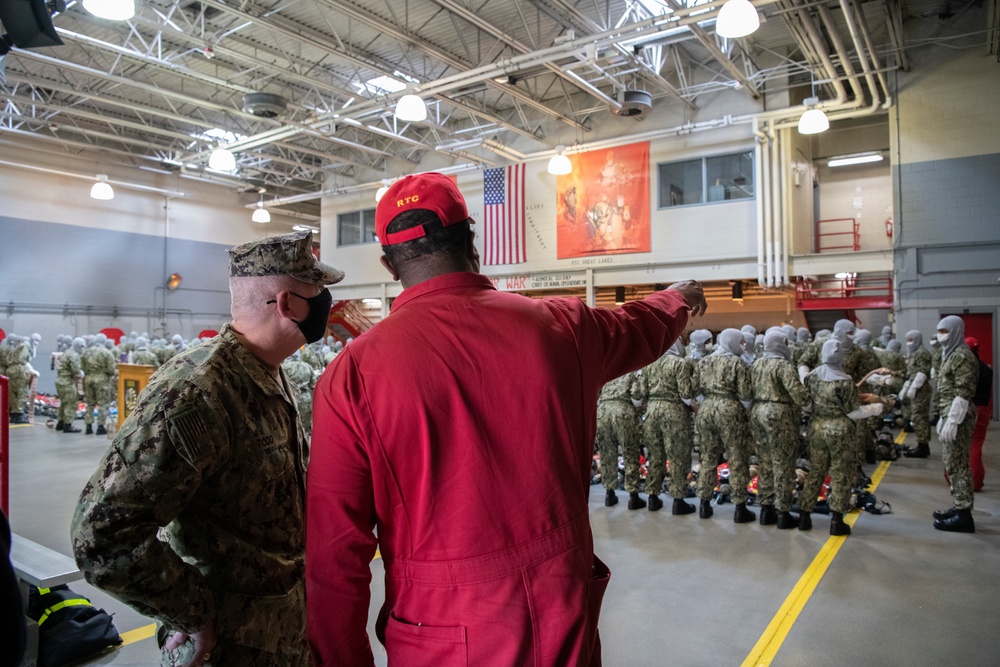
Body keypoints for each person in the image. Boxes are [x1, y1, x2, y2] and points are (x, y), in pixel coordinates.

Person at [305, 172, 706, 666]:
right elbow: (639, 325)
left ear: (390, 265)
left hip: (439, 632)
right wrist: (680, 297)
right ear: (471, 239)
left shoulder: (352, 375)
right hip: (562, 611)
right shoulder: (563, 328)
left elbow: (334, 554)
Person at [71, 230, 344, 666]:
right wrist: (191, 612)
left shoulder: (270, 373)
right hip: (226, 648)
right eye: (319, 291)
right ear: (288, 303)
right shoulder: (196, 391)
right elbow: (104, 534)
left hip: (281, 635)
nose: (327, 302)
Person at [798, 339, 884, 536]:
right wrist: (874, 409)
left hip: (817, 429)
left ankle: (804, 515)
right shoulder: (845, 381)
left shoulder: (812, 377)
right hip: (840, 432)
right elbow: (853, 412)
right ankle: (837, 521)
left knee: (816, 472)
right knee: (840, 474)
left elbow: (807, 404)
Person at [694, 328, 755, 523]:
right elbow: (746, 396)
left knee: (708, 457)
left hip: (706, 409)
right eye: (741, 341)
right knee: (737, 458)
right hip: (730, 410)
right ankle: (739, 507)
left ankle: (704, 504)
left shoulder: (704, 361)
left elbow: (694, 389)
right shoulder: (738, 363)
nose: (743, 345)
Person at [750, 330, 807, 529]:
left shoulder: (756, 364)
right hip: (780, 415)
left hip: (758, 413)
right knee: (783, 463)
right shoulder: (784, 366)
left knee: (765, 462)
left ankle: (766, 509)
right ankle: (783, 512)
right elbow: (798, 394)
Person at [637, 339, 697, 515]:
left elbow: (641, 393)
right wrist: (693, 407)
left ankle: (653, 497)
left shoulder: (649, 364)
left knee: (655, 455)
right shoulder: (680, 363)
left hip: (652, 411)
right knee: (677, 455)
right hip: (674, 411)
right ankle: (678, 500)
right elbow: (685, 394)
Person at [931, 317, 979, 533]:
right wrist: (944, 416)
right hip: (950, 413)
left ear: (956, 331)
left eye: (945, 331)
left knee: (957, 464)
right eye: (939, 330)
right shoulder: (949, 354)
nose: (941, 335)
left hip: (959, 417)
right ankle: (959, 506)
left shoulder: (961, 356)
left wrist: (953, 419)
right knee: (953, 462)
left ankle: (964, 515)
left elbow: (963, 392)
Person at [596, 370, 645, 508]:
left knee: (607, 453)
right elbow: (636, 398)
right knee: (630, 453)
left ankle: (609, 494)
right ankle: (633, 497)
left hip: (603, 411)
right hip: (623, 411)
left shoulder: (606, 371)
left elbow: (597, 393)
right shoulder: (632, 372)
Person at [965, 337, 992, 492]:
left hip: (967, 408)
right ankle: (976, 481)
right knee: (976, 444)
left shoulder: (966, 369)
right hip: (982, 409)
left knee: (960, 445)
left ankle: (956, 479)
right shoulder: (987, 370)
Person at [900, 330, 933, 458]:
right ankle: (922, 445)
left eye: (911, 339)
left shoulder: (921, 353)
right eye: (907, 339)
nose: (909, 343)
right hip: (916, 389)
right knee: (917, 417)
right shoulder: (914, 353)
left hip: (921, 390)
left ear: (918, 339)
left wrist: (914, 387)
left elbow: (923, 372)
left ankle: (923, 447)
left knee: (919, 417)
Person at [81, 333, 117, 435]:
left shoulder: (86, 352)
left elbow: (82, 366)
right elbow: (111, 369)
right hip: (101, 380)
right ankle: (100, 427)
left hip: (88, 379)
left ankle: (88, 426)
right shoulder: (107, 353)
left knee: (90, 403)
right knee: (103, 403)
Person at [55, 337, 85, 433]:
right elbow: (75, 370)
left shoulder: (67, 352)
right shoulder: (74, 355)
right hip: (67, 381)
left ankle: (60, 423)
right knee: (71, 403)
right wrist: (81, 373)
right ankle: (68, 425)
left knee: (63, 403)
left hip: (60, 380)